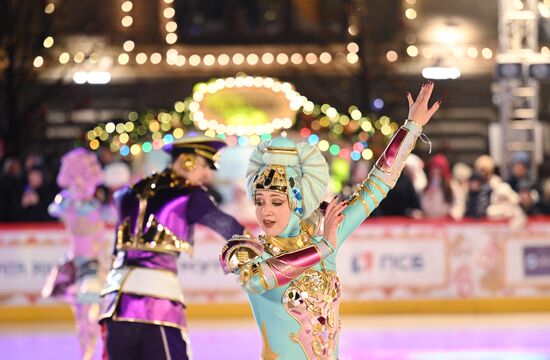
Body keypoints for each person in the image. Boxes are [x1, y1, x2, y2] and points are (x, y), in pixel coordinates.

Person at [220, 82, 440, 359]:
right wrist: (323, 248)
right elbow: (258, 281)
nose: (266, 212)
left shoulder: (323, 234)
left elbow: (376, 187)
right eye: (260, 202)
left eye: (277, 203)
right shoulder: (250, 253)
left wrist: (410, 128)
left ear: (297, 202)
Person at [99, 135, 244, 360]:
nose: (207, 174)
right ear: (188, 161)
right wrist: (266, 251)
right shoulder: (189, 195)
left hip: (114, 304)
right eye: (205, 166)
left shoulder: (129, 193)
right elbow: (228, 226)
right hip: (155, 303)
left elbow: (116, 250)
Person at [41, 148, 106, 360]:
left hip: (93, 266)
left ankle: (88, 352)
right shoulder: (67, 201)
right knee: (80, 316)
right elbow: (55, 210)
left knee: (91, 315)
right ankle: (85, 353)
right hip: (75, 264)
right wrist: (73, 194)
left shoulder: (94, 204)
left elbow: (108, 216)